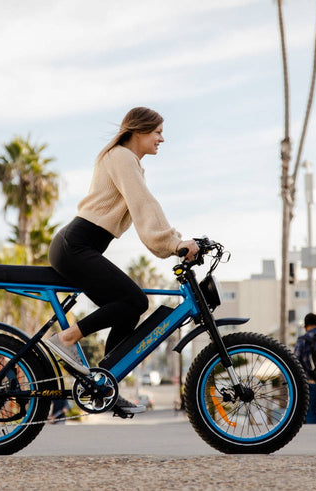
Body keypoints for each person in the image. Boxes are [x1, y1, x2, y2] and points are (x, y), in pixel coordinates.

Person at [44, 107, 199, 417]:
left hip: (79, 247)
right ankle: (66, 338)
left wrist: (173, 242)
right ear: (138, 131)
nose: (162, 139)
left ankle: (105, 385)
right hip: (76, 246)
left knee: (128, 310)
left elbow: (143, 206)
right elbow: (144, 204)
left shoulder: (127, 161)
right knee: (135, 300)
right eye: (157, 132)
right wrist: (174, 242)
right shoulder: (121, 157)